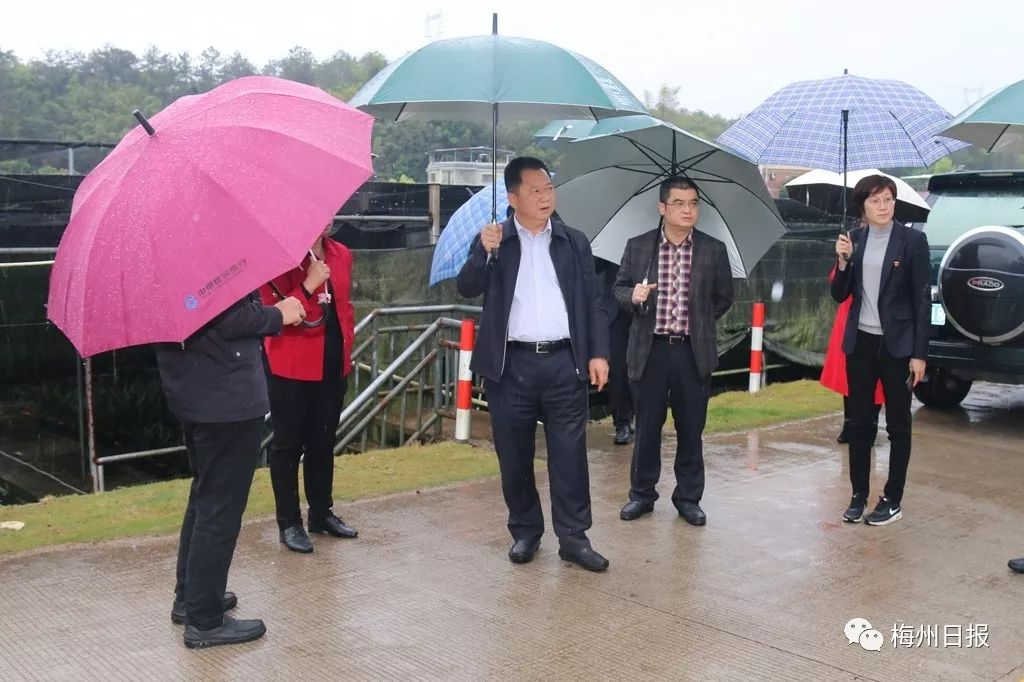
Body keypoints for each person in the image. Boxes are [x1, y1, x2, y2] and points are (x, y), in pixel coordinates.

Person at [456, 156, 611, 572]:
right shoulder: (495, 239)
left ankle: (574, 538)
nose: (545, 197)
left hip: (564, 362)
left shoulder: (573, 241)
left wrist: (598, 353)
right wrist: (482, 251)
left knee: (569, 455)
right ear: (513, 198)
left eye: (549, 188)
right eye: (535, 191)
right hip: (511, 366)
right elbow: (467, 287)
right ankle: (525, 531)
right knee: (514, 456)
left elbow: (593, 302)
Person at [155, 291, 305, 649]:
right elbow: (226, 315)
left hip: (197, 394)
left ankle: (191, 598)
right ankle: (205, 621)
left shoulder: (168, 270)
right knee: (219, 510)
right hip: (225, 401)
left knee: (205, 498)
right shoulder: (203, 264)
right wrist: (277, 314)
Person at [613, 176, 733, 526]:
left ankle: (688, 498)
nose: (687, 210)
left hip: (692, 352)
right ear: (662, 208)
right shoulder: (640, 247)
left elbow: (724, 298)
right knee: (647, 428)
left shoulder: (713, 249)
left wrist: (699, 321)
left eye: (693, 203)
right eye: (679, 203)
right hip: (650, 351)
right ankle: (641, 495)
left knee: (691, 429)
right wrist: (633, 296)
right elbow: (618, 289)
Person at [832, 174, 930, 526]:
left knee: (898, 425)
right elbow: (840, 294)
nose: (884, 206)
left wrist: (919, 354)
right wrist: (843, 262)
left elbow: (921, 300)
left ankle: (892, 499)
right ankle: (858, 494)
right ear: (863, 206)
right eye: (875, 200)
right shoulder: (853, 239)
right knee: (859, 423)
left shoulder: (912, 241)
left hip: (898, 346)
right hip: (861, 343)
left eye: (888, 199)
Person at [260, 222, 358, 554]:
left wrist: (346, 352)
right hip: (291, 368)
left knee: (323, 442)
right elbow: (270, 313)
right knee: (287, 446)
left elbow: (344, 307)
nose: (326, 219)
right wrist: (308, 284)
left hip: (333, 365)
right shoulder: (277, 257)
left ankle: (321, 513)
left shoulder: (341, 254)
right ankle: (289, 522)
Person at [820, 264, 884, 444]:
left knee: (877, 375)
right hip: (850, 314)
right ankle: (849, 421)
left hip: (878, 315)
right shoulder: (853, 248)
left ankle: (872, 422)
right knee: (847, 372)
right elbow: (838, 280)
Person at [596, 258, 634, 445]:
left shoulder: (652, 244)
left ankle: (635, 415)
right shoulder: (610, 245)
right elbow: (594, 266)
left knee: (643, 370)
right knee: (618, 370)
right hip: (614, 314)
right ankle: (622, 423)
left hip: (642, 312)